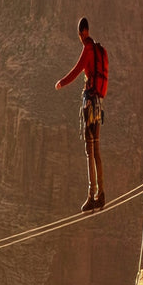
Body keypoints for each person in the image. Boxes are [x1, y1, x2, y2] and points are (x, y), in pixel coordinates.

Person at [55, 17, 106, 212]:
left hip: (89, 105)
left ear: (82, 32)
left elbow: (77, 70)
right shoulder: (100, 50)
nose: (80, 37)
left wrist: (61, 83)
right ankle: (101, 194)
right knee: (97, 152)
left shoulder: (88, 49)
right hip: (99, 106)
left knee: (89, 152)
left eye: (79, 34)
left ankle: (91, 196)